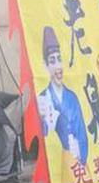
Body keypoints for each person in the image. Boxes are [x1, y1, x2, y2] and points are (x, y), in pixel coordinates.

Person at [37, 26, 88, 165]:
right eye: (52, 61)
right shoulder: (43, 98)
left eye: (59, 59)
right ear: (45, 65)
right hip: (58, 164)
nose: (58, 67)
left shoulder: (72, 97)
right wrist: (43, 119)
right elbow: (43, 137)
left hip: (77, 164)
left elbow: (82, 134)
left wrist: (81, 161)